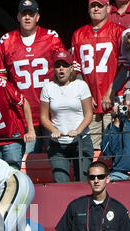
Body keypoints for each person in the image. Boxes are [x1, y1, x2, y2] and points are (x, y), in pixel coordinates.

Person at [0, 0, 67, 155]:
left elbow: (65, 71)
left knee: (55, 157)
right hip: (22, 114)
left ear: (37, 17)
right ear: (18, 16)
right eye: (24, 14)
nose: (27, 18)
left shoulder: (51, 37)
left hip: (51, 111)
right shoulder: (7, 41)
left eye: (31, 14)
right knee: (28, 163)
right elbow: (0, 81)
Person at [72, 0, 128, 151]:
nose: (96, 9)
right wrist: (86, 95)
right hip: (90, 104)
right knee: (92, 149)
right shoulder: (78, 34)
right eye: (93, 6)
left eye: (100, 6)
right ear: (88, 9)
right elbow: (76, 70)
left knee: (115, 147)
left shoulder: (119, 31)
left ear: (108, 8)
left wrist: (111, 91)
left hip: (114, 101)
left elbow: (125, 67)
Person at [40, 51, 94, 183]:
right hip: (57, 145)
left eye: (65, 65)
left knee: (83, 183)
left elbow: (88, 114)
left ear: (71, 68)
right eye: (58, 66)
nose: (61, 69)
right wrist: (53, 130)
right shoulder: (48, 88)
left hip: (81, 141)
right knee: (61, 185)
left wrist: (78, 130)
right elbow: (43, 117)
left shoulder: (81, 85)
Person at [102, 87, 130, 179]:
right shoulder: (115, 124)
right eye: (128, 98)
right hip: (119, 173)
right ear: (123, 103)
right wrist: (116, 120)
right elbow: (107, 152)